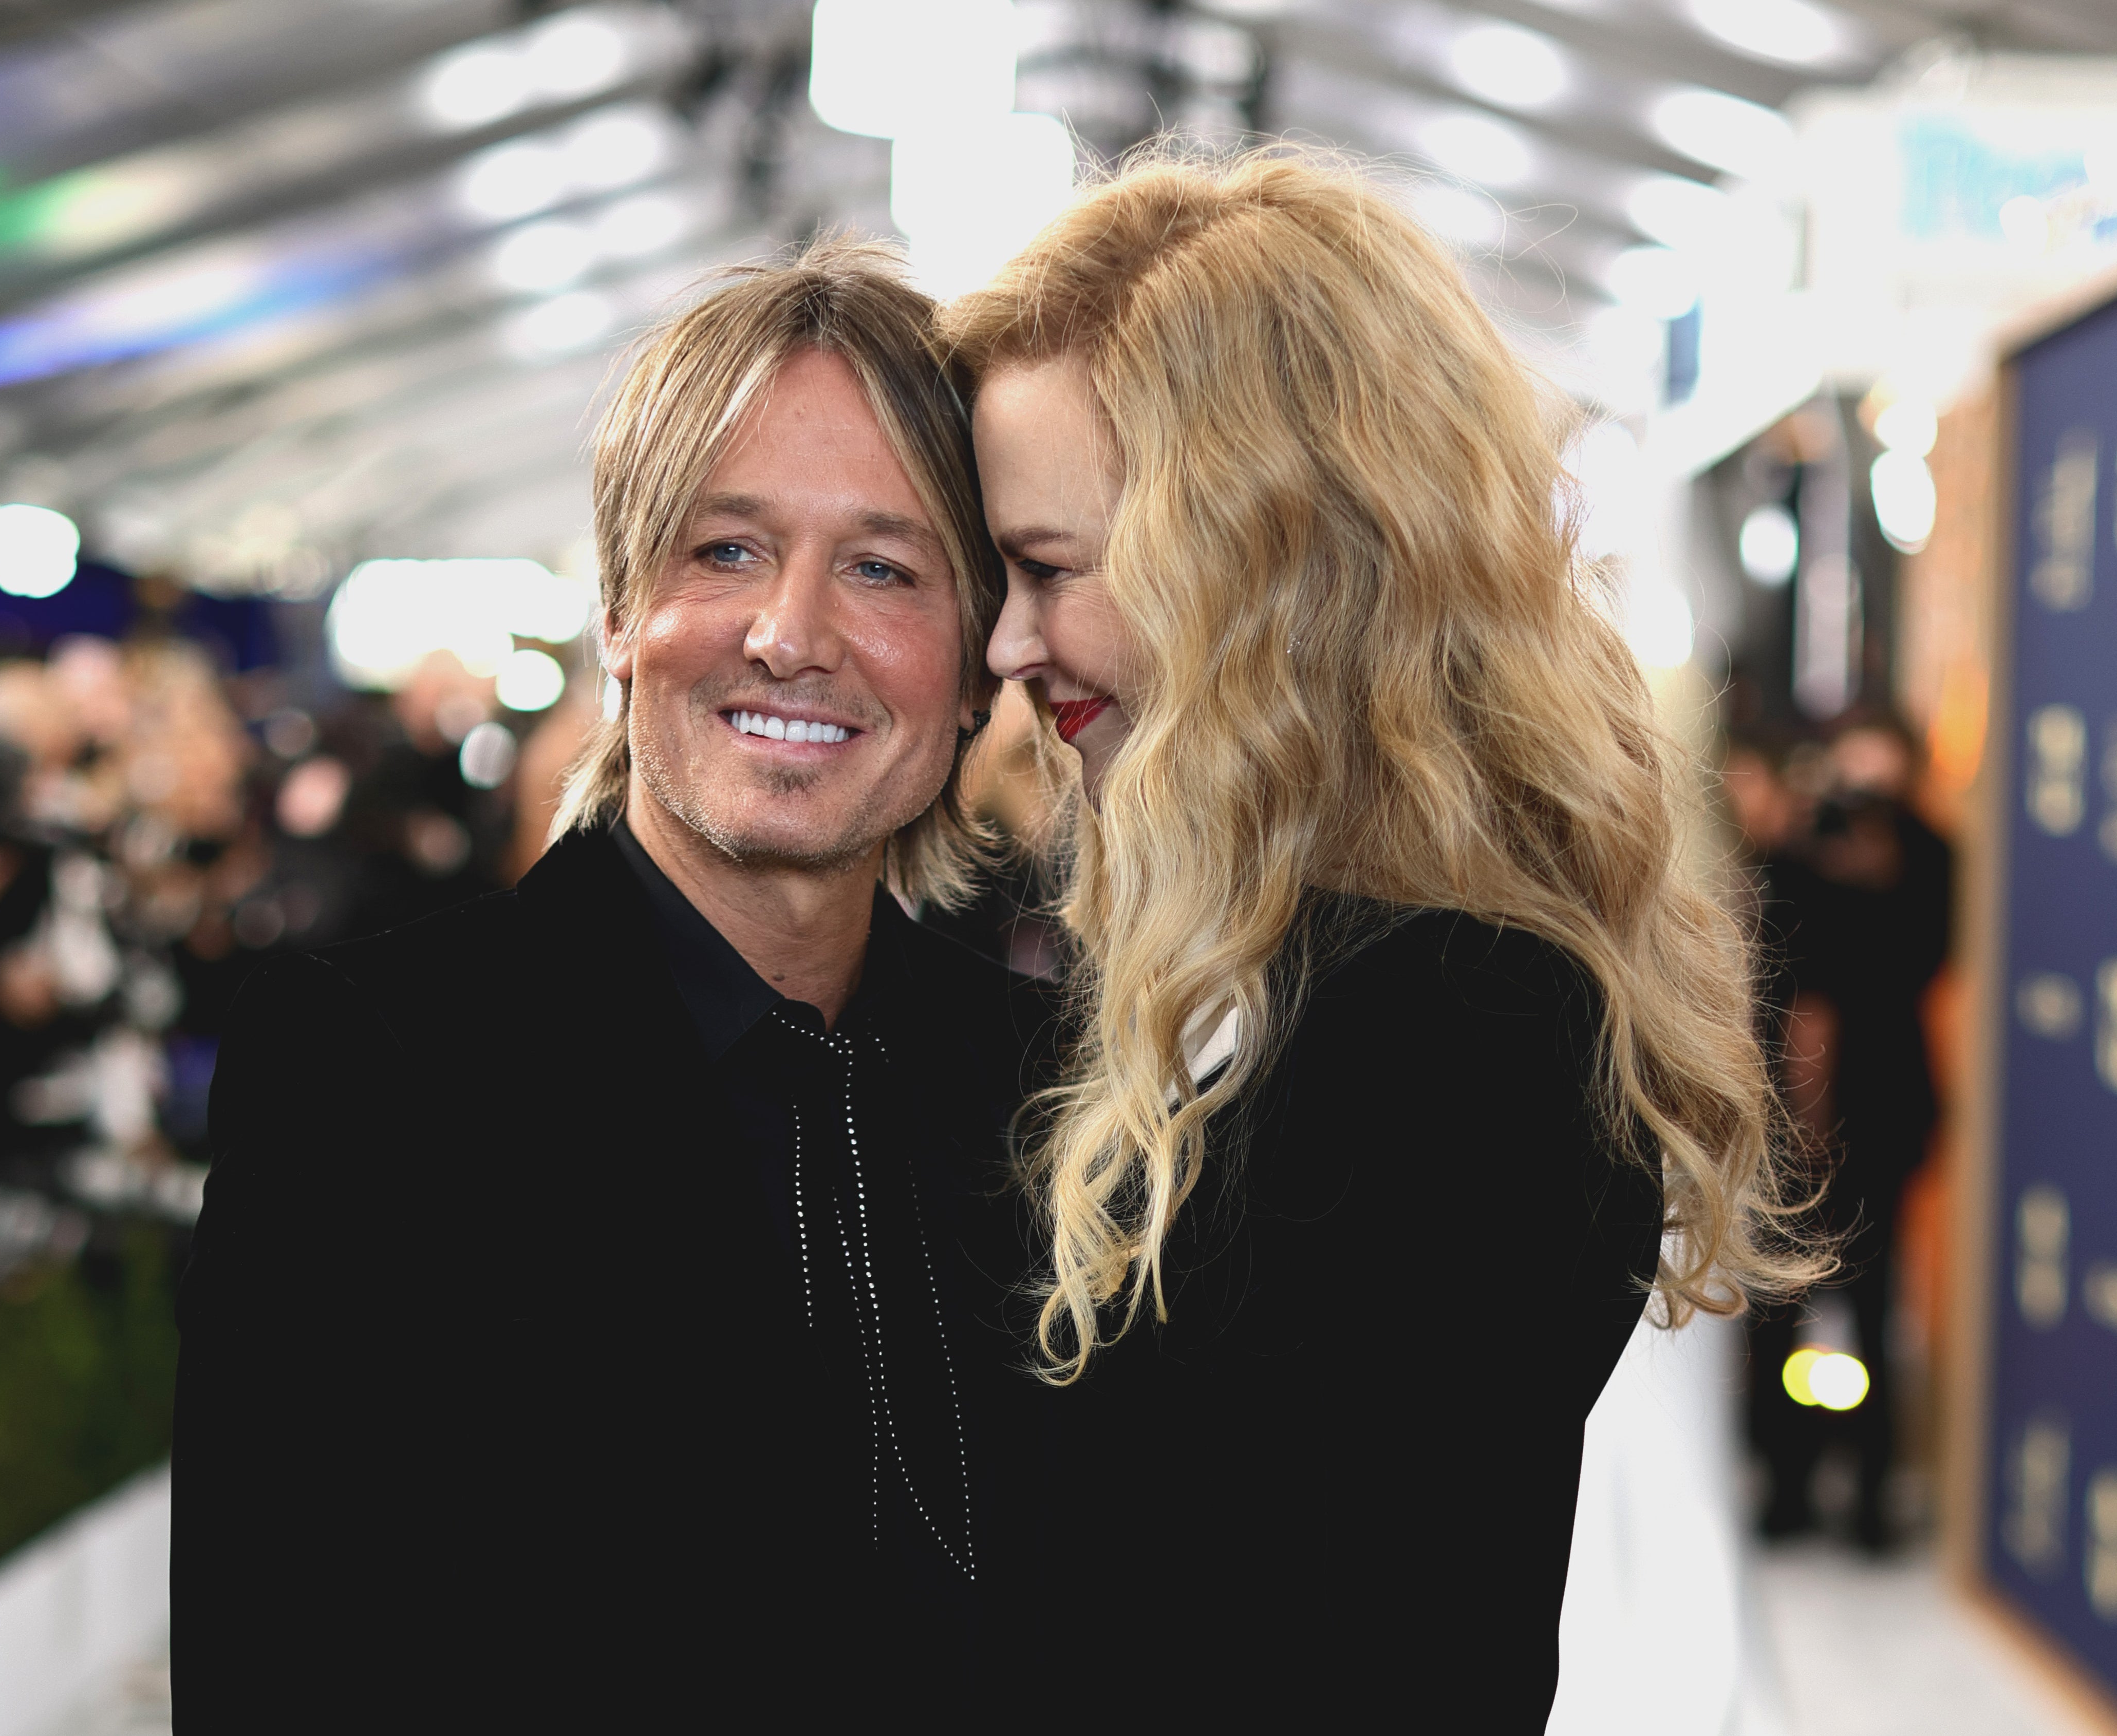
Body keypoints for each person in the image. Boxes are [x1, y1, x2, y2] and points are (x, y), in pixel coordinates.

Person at [940, 150, 1818, 1723]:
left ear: (1260, 563)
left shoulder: (1461, 1020)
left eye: (1050, 569)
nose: (1007, 643)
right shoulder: (1279, 970)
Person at [170, 241, 1047, 1725]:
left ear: (979, 663)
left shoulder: (1046, 1089)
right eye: (728, 550)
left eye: (886, 567)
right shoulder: (377, 1068)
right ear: (622, 615)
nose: (793, 633)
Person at [1749, 716, 1951, 1548]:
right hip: (1786, 1116)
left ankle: (1872, 1488)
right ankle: (1785, 1481)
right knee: (1778, 1300)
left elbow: (1931, 954)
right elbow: (1775, 954)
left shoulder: (1927, 857)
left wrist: (1884, 864)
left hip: (1880, 1111)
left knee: (1874, 1302)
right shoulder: (1794, 850)